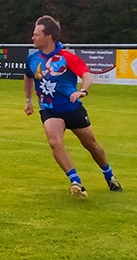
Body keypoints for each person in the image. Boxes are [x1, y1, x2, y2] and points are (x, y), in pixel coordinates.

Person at [24, 15, 122, 198]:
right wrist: (28, 100)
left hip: (72, 108)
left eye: (36, 34)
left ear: (49, 36)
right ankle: (76, 181)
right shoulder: (32, 59)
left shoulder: (66, 57)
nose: (32, 38)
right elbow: (28, 77)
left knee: (91, 145)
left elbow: (87, 74)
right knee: (54, 142)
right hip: (49, 109)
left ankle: (108, 174)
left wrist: (83, 91)